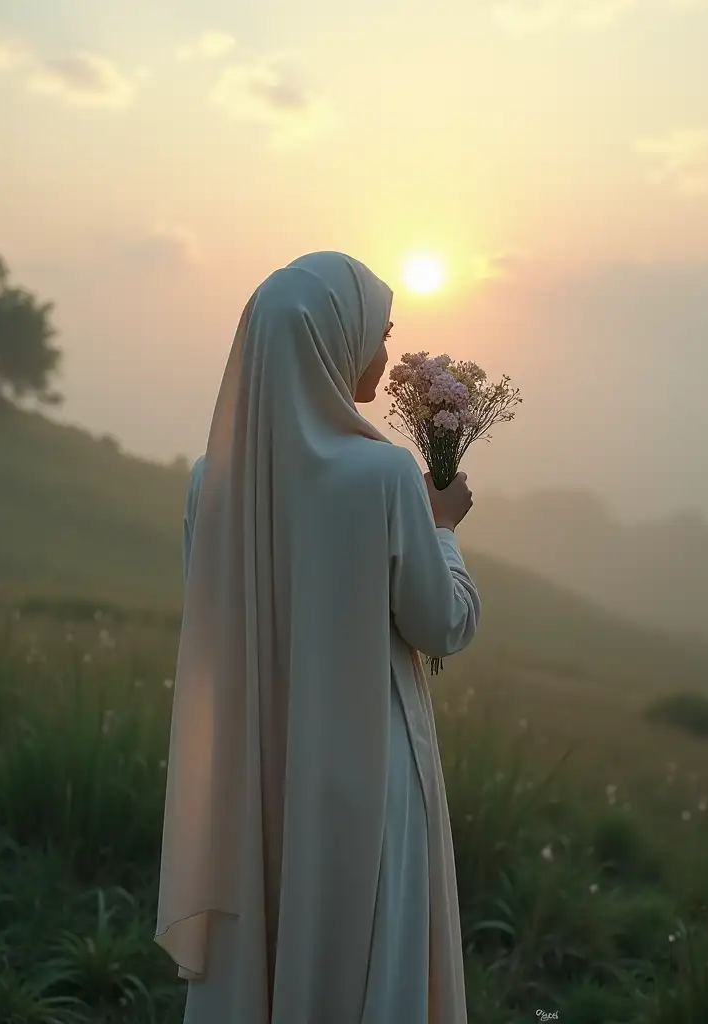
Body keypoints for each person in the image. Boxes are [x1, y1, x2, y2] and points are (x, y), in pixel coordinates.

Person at [155, 251, 481, 1024]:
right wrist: (444, 530)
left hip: (255, 769)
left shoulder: (213, 480)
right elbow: (446, 623)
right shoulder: (385, 476)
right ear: (331, 340)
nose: (388, 351)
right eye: (379, 333)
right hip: (368, 777)